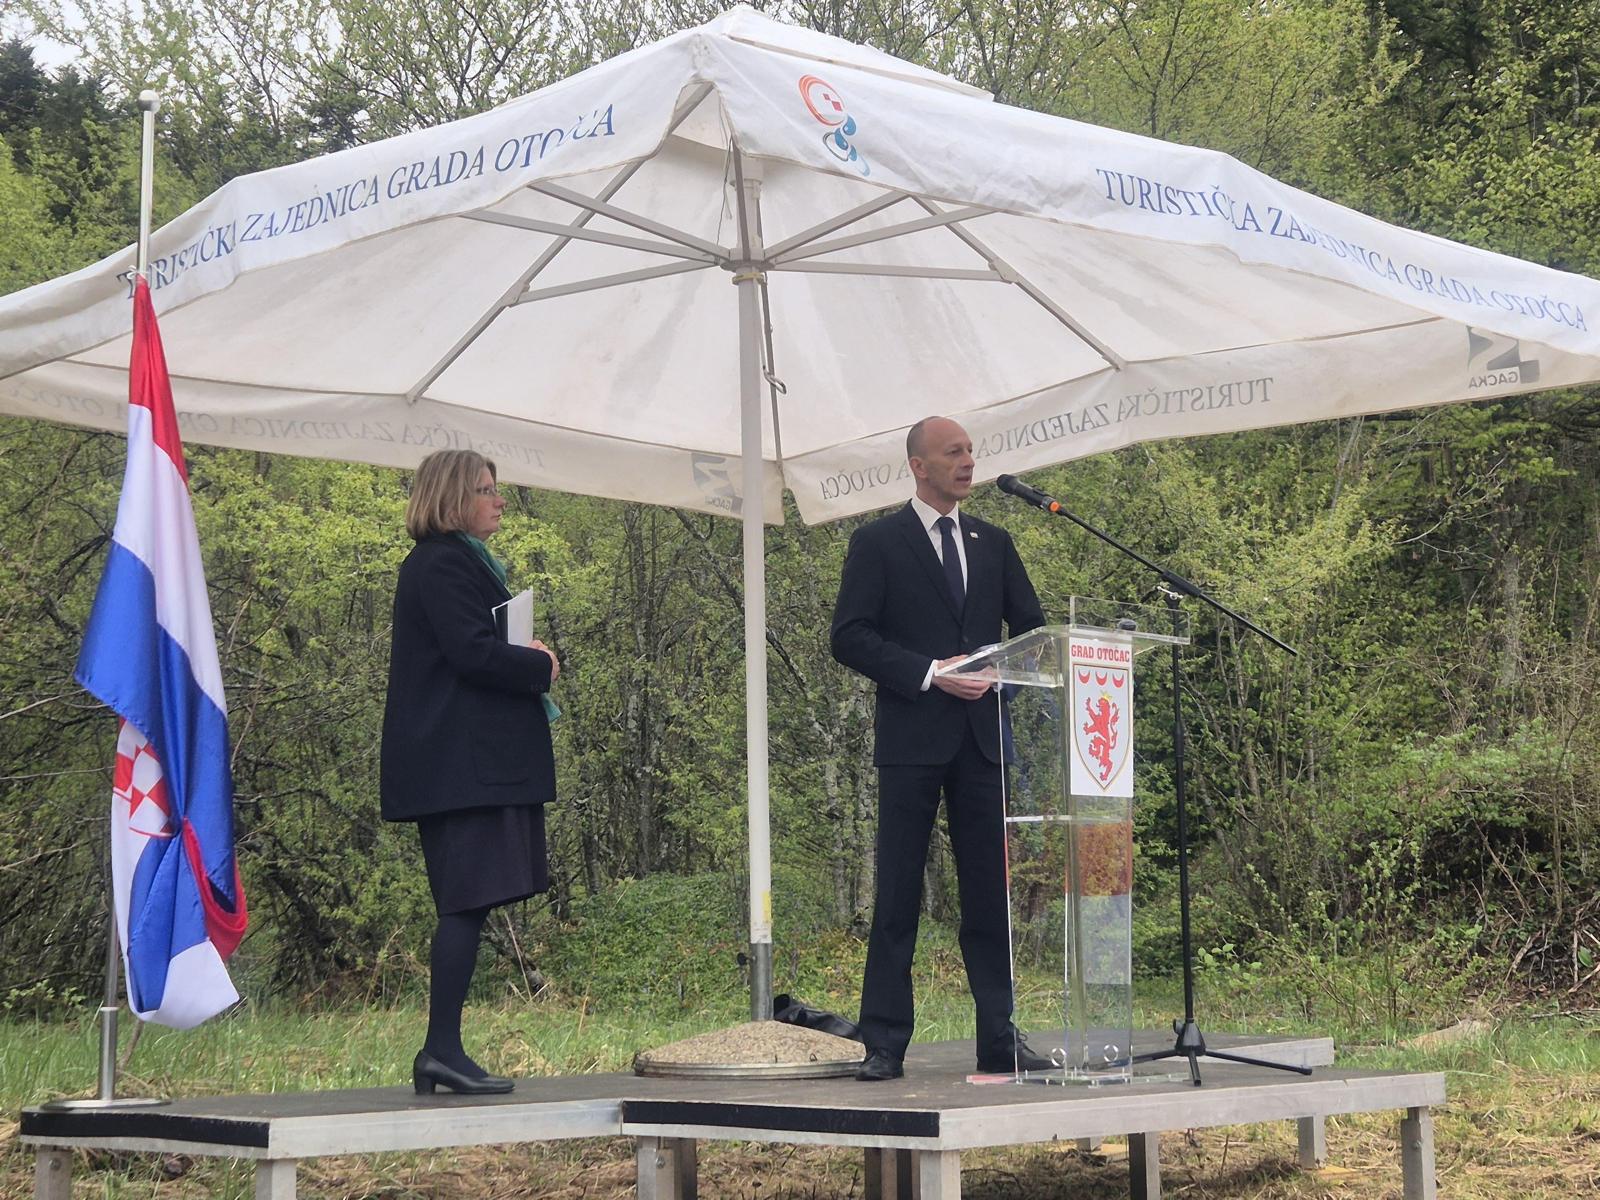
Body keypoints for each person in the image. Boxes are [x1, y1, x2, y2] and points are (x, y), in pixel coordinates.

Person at [830, 415, 1050, 1081]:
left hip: (981, 740)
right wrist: (930, 672)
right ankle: (883, 1042)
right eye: (953, 452)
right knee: (897, 894)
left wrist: (994, 674)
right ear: (919, 466)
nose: (968, 461)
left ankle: (999, 1039)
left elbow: (1033, 631)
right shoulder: (879, 542)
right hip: (911, 739)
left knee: (988, 895)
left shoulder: (994, 542)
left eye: (970, 451)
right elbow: (849, 635)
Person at [381, 449, 559, 1096]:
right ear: (454, 497)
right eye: (486, 489)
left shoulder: (460, 561)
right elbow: (471, 653)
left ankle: (443, 1050)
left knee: (469, 904)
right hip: (459, 769)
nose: (499, 500)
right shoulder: (441, 563)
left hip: (467, 767)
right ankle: (440, 1050)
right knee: (463, 904)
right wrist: (538, 664)